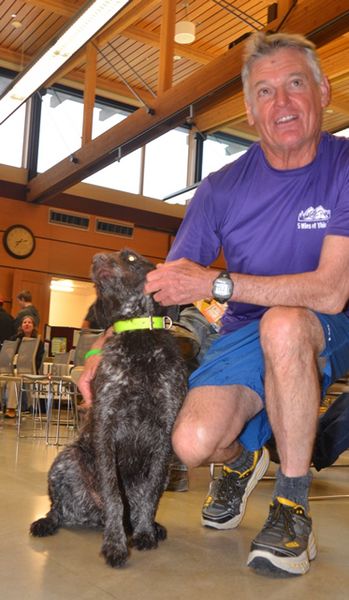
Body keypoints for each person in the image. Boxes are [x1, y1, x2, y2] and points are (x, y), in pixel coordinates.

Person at [78, 32, 349, 577]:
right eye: (266, 92)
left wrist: (219, 285)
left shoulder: (343, 167)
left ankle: (292, 508)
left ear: (322, 91)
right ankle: (242, 458)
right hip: (246, 330)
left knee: (286, 325)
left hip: (330, 321)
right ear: (250, 112)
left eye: (296, 84)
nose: (283, 103)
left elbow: (329, 291)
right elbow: (167, 285)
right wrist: (100, 351)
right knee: (193, 443)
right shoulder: (222, 187)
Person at [4, 315, 44, 418]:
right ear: (21, 326)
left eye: (29, 322)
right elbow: (8, 354)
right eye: (24, 322)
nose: (27, 324)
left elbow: (38, 361)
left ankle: (11, 408)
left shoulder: (38, 342)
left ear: (33, 326)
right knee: (7, 376)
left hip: (29, 370)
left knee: (14, 378)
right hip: (13, 368)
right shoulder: (15, 339)